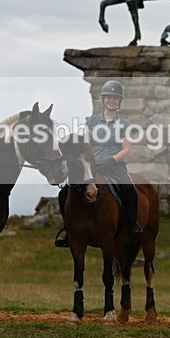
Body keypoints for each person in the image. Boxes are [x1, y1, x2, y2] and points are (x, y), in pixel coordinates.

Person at [55, 80, 143, 247]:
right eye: (109, 97)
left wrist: (112, 160)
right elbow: (85, 143)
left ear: (119, 101)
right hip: (91, 165)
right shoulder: (92, 122)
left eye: (115, 98)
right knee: (65, 191)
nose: (112, 100)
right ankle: (68, 230)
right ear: (103, 99)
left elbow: (127, 149)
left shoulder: (124, 124)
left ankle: (132, 227)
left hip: (114, 165)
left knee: (129, 189)